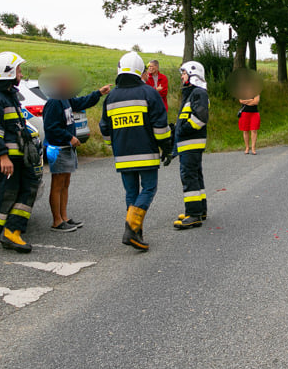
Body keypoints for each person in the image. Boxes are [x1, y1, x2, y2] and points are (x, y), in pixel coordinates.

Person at [99, 52, 173, 251]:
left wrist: (112, 145)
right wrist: (166, 147)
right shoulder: (149, 93)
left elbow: (105, 128)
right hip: (146, 152)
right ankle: (131, 229)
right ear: (140, 71)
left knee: (131, 193)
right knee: (149, 189)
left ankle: (136, 234)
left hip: (122, 155)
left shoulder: (111, 96)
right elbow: (160, 125)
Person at [0, 52, 42, 253]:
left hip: (18, 156)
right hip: (5, 158)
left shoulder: (7, 94)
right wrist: (3, 156)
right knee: (7, 193)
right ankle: (7, 232)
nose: (21, 74)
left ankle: (12, 229)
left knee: (30, 186)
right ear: (9, 72)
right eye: (18, 70)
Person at [42, 68, 111, 232]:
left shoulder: (66, 99)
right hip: (58, 148)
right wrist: (69, 137)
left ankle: (64, 217)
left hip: (67, 149)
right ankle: (56, 221)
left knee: (66, 183)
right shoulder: (54, 101)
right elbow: (50, 128)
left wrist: (99, 93)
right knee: (57, 184)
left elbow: (81, 103)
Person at [173, 61, 210, 230]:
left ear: (193, 75)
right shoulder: (193, 92)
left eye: (184, 73)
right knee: (195, 175)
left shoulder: (197, 92)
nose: (182, 77)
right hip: (190, 142)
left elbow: (201, 117)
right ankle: (199, 210)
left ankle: (193, 215)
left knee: (189, 176)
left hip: (190, 142)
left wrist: (183, 130)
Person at [239, 86, 260, 155]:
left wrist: (246, 101)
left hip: (254, 113)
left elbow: (256, 102)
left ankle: (253, 148)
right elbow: (241, 101)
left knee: (254, 130)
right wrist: (251, 100)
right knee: (245, 130)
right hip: (245, 113)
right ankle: (247, 147)